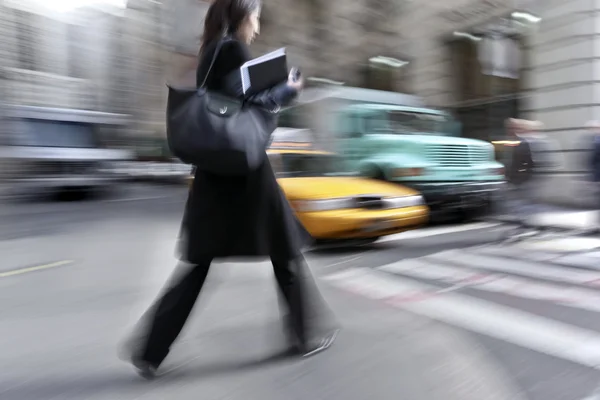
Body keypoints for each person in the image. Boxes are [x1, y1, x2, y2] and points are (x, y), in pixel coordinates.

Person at [122, 0, 338, 379]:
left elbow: (224, 105)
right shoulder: (233, 48)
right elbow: (248, 105)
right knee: (285, 249)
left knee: (200, 263)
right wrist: (287, 89)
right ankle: (305, 335)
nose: (257, 26)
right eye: (255, 17)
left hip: (213, 173)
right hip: (246, 171)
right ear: (241, 16)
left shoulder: (209, 50)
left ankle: (150, 350)